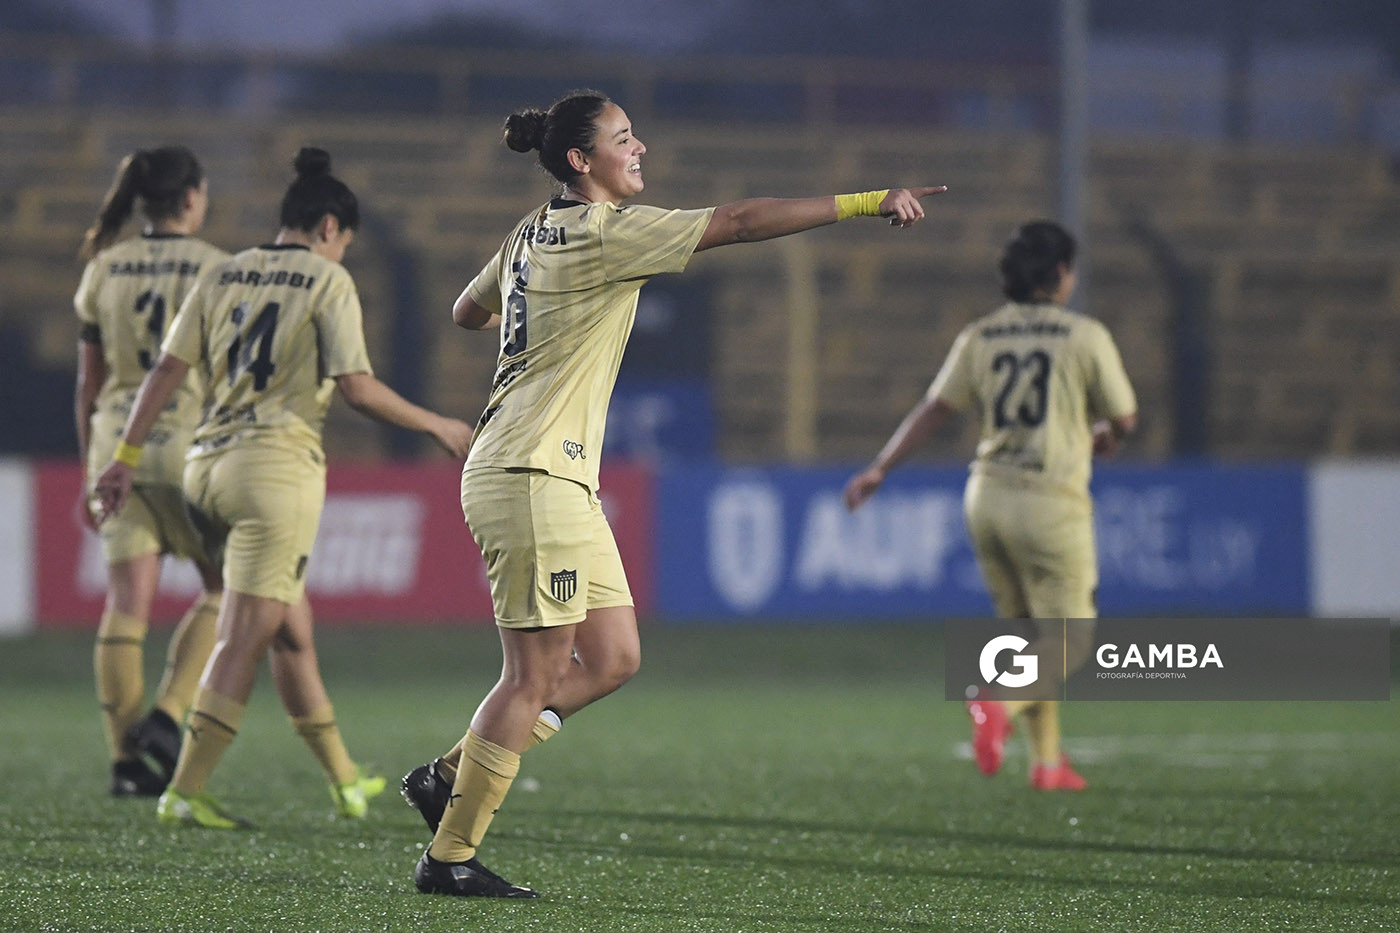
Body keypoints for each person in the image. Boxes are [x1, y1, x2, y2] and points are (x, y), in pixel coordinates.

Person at [400, 88, 945, 899]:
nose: (641, 146)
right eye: (624, 139)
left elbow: (465, 311)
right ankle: (448, 857)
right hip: (530, 472)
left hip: (551, 473)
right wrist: (866, 201)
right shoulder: (603, 232)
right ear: (582, 160)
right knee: (534, 677)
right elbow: (742, 222)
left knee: (615, 658)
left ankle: (451, 772)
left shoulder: (530, 231)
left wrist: (538, 315)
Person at [94, 148, 475, 828]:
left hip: (204, 470)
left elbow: (163, 374)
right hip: (274, 475)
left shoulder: (224, 271)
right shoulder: (328, 284)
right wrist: (438, 425)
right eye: (345, 245)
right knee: (242, 635)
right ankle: (185, 788)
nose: (343, 256)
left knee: (289, 631)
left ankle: (345, 778)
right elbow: (356, 389)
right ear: (330, 227)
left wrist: (123, 456)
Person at [843, 220, 1137, 792]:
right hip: (1051, 501)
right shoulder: (1083, 336)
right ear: (1060, 275)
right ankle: (997, 703)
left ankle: (1047, 763)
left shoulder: (980, 336)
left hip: (988, 499)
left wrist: (880, 468)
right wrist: (1107, 433)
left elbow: (935, 408)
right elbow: (1124, 418)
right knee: (1070, 641)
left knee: (1029, 636)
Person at [74, 145, 228, 798]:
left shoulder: (104, 268)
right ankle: (168, 715)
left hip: (118, 451)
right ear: (192, 196)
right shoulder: (218, 268)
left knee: (126, 607)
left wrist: (93, 465)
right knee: (228, 590)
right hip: (190, 448)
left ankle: (126, 760)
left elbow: (89, 383)